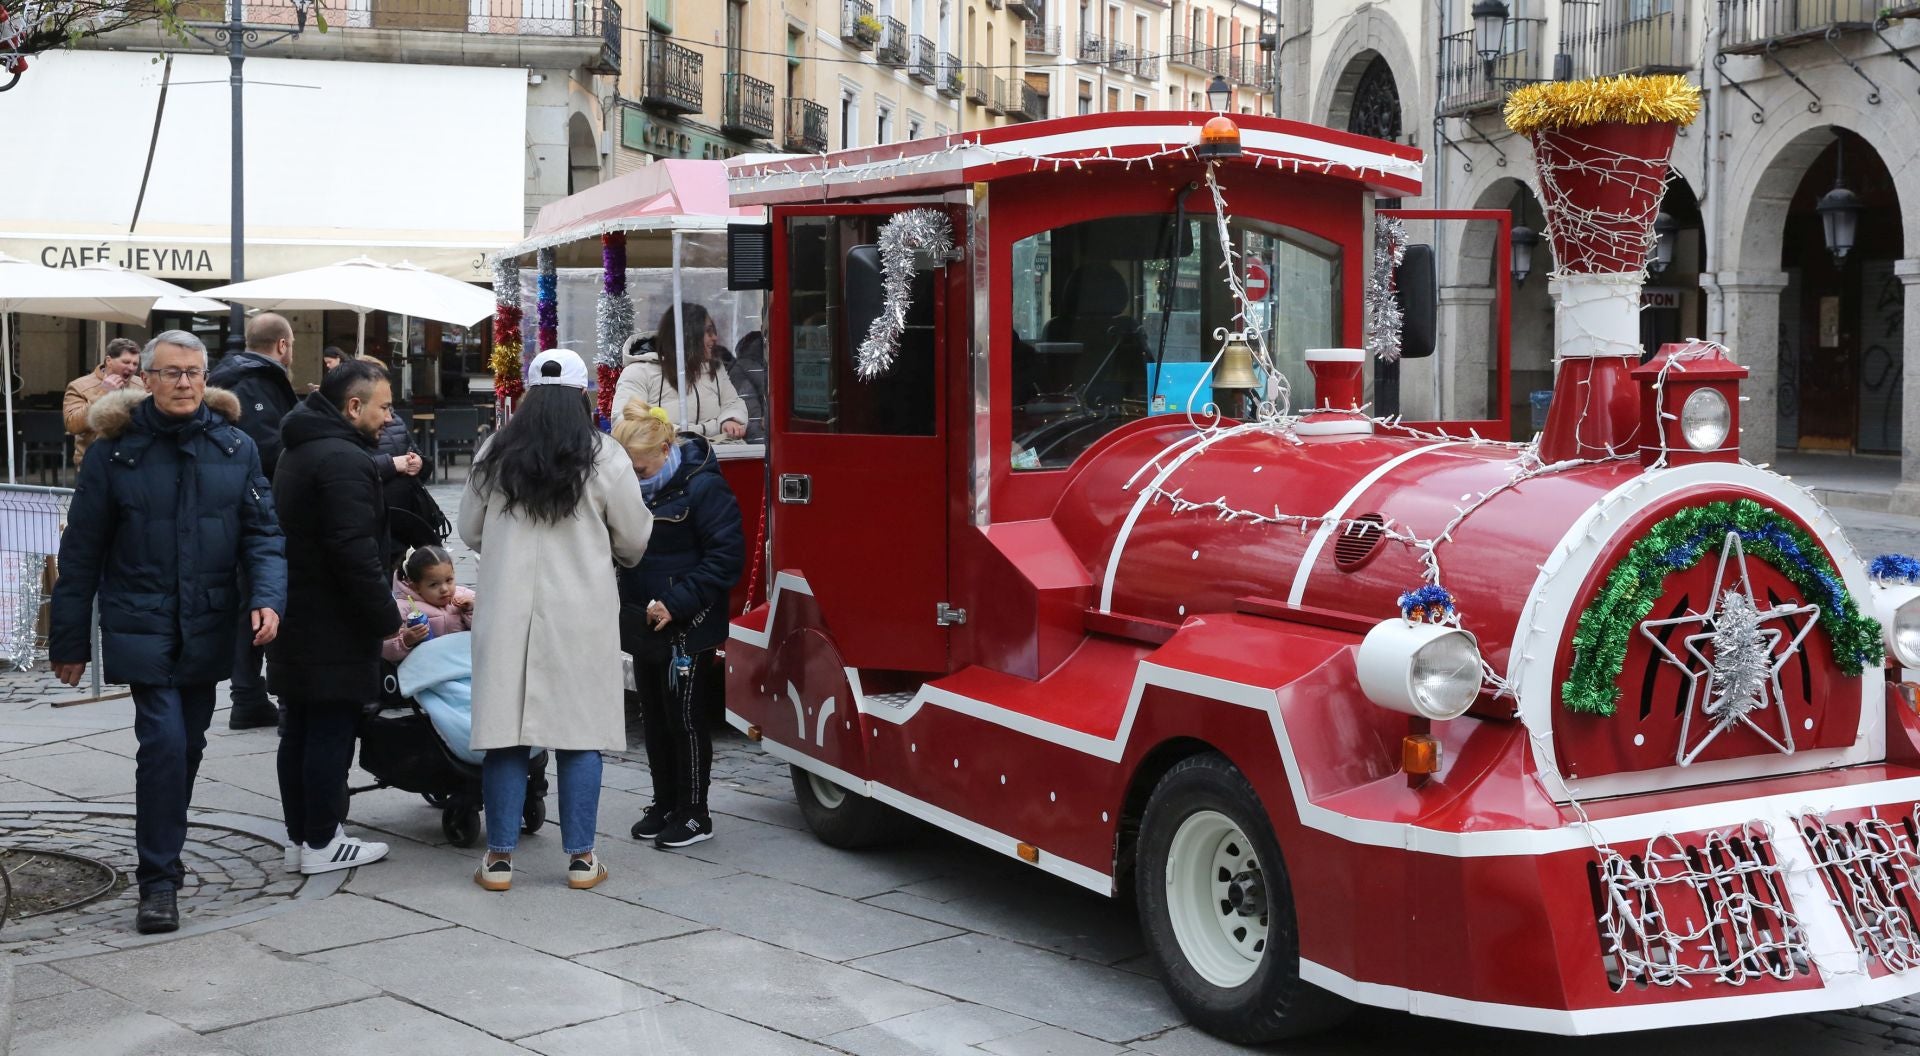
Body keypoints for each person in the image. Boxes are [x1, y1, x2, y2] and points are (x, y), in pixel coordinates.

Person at [48, 331, 286, 934]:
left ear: (207, 380)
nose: (184, 383)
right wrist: (70, 640)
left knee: (190, 744)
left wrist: (266, 597)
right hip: (141, 618)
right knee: (163, 743)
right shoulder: (114, 452)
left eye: (194, 373)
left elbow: (263, 535)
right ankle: (158, 880)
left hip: (208, 621)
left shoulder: (235, 447)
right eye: (172, 373)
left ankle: (164, 849)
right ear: (146, 380)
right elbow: (81, 552)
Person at [461, 348, 651, 892]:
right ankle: (582, 858)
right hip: (581, 612)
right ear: (584, 395)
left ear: (526, 397)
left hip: (506, 608)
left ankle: (498, 860)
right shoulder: (604, 454)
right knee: (580, 733)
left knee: (505, 735)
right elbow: (634, 539)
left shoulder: (495, 451)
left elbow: (471, 530)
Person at [267, 357, 401, 875]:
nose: (389, 417)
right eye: (383, 406)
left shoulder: (302, 447)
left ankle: (303, 836)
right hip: (331, 621)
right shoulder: (343, 459)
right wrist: (386, 616)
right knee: (328, 728)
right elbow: (354, 550)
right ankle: (322, 839)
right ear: (353, 406)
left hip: (300, 613)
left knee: (298, 726)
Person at [612, 401, 744, 849]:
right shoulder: (634, 488)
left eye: (642, 468)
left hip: (690, 621)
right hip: (645, 619)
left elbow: (726, 559)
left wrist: (676, 602)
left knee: (684, 717)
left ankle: (694, 811)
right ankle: (665, 801)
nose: (637, 477)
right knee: (653, 715)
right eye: (629, 469)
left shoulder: (703, 487)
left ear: (667, 450)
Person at [208, 313, 300, 731]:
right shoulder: (256, 382)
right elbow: (269, 451)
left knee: (251, 595)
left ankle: (248, 693)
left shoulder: (233, 374)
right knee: (260, 596)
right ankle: (249, 694)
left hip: (234, 505)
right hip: (256, 506)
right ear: (282, 344)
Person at [611, 303, 749, 440]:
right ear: (687, 335)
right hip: (665, 456)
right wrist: (707, 429)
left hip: (718, 453)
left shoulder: (715, 369)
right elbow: (626, 422)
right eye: (708, 331)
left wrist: (730, 420)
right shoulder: (639, 372)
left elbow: (732, 403)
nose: (714, 337)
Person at [355, 355, 438, 565]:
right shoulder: (352, 426)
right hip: (374, 518)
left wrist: (418, 463)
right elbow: (353, 468)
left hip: (404, 520)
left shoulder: (396, 420)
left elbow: (419, 457)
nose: (387, 416)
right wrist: (392, 464)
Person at [382, 545, 474, 663]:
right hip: (426, 669)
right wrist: (405, 641)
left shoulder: (463, 596)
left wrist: (471, 610)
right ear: (415, 586)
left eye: (449, 580)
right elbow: (383, 651)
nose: (444, 589)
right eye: (433, 584)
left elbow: (486, 630)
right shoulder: (402, 609)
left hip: (464, 662)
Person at [62, 337, 147, 466]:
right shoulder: (79, 386)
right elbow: (73, 425)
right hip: (93, 462)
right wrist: (104, 393)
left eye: (135, 364)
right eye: (126, 362)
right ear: (109, 361)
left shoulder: (141, 385)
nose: (131, 368)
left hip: (133, 461)